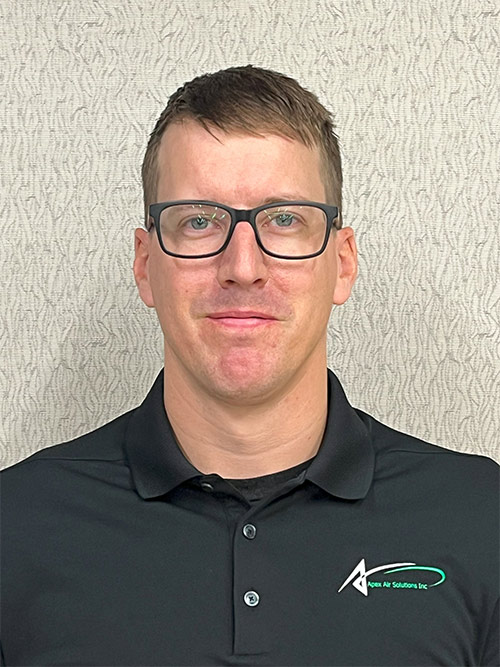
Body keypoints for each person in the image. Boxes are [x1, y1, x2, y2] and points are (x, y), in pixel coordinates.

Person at [1, 65, 498, 667]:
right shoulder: (17, 526)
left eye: (284, 220)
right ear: (145, 265)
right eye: (198, 220)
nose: (242, 267)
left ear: (342, 264)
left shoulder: (481, 519)